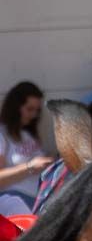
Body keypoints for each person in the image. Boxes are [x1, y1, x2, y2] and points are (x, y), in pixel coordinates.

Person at [0, 83, 53, 213]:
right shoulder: (2, 134)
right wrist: (29, 167)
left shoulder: (27, 133)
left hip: (40, 198)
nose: (34, 115)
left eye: (37, 110)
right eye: (30, 109)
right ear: (15, 107)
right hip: (15, 200)